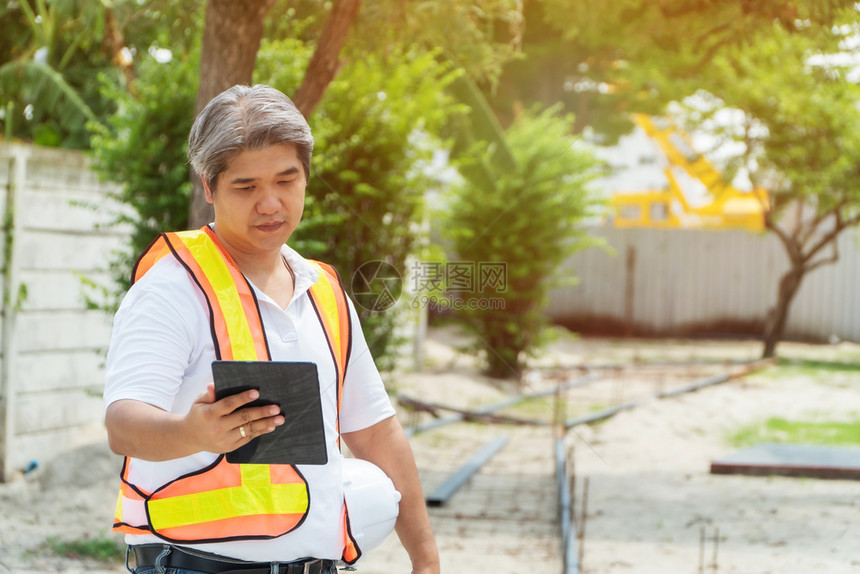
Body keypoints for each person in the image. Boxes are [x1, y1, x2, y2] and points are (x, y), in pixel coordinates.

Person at [104, 84, 440, 574]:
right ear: (209, 187)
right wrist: (192, 432)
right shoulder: (170, 290)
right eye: (246, 187)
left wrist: (426, 561)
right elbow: (123, 424)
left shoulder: (323, 290)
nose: (270, 203)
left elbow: (375, 431)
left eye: (287, 180)